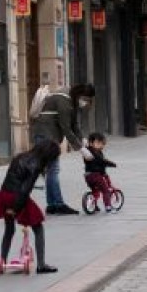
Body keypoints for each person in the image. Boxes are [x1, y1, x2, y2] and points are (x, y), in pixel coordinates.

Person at [0, 140, 61, 274]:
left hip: (4, 193)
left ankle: (3, 260)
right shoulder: (36, 165)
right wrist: (15, 208)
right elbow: (24, 189)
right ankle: (41, 265)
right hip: (17, 197)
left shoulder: (20, 157)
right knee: (38, 225)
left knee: (9, 229)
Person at [31, 83, 95, 215]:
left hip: (46, 135)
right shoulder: (64, 100)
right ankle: (58, 204)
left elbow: (74, 124)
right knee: (53, 170)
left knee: (51, 170)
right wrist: (80, 149)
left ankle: (52, 205)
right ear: (80, 95)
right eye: (86, 99)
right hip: (46, 136)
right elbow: (66, 128)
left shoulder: (71, 100)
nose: (86, 103)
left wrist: (82, 139)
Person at [84, 132, 118, 213]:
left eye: (102, 143)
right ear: (91, 143)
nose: (100, 145)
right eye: (98, 143)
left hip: (88, 176)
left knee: (95, 191)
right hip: (96, 175)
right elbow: (102, 161)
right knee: (105, 190)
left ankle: (94, 206)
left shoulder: (88, 152)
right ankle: (108, 207)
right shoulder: (96, 153)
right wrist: (111, 164)